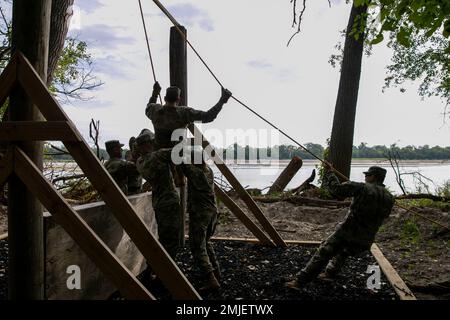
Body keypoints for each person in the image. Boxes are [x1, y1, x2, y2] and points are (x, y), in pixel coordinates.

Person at [285, 165, 395, 290]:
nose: (365, 177)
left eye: (367, 175)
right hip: (367, 238)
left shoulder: (362, 188)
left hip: (348, 231)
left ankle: (300, 282)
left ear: (374, 177)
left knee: (324, 251)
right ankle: (330, 274)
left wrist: (330, 173)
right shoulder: (389, 197)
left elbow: (336, 190)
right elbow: (384, 216)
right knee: (344, 252)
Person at [135, 133, 181, 259]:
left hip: (158, 202)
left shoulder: (139, 162)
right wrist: (179, 138)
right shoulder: (159, 155)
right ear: (149, 144)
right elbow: (179, 152)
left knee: (163, 235)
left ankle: (158, 266)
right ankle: (167, 269)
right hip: (170, 201)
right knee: (172, 238)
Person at [184, 150, 221, 292]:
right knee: (205, 242)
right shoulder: (208, 170)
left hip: (201, 214)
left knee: (197, 246)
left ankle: (210, 279)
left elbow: (184, 166)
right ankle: (216, 272)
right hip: (212, 212)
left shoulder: (197, 173)